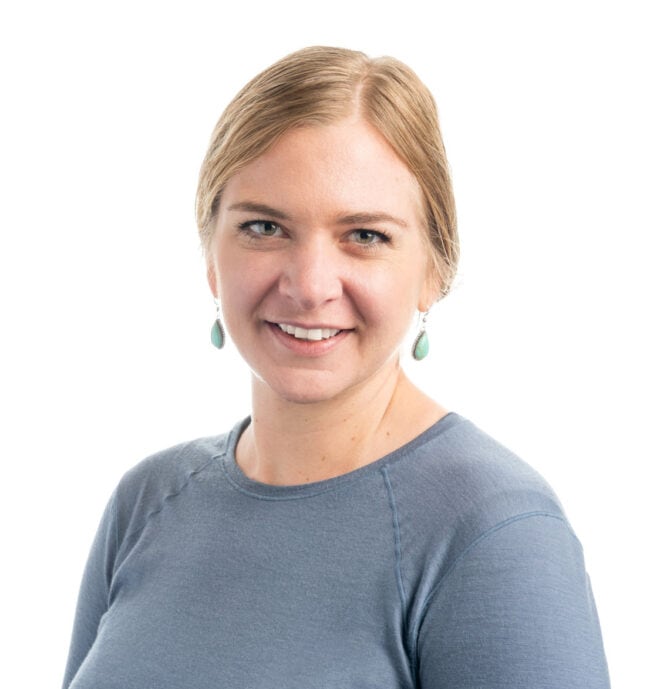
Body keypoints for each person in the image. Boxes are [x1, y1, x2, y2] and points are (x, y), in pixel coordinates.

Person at [62, 46, 610, 688]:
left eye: (365, 235)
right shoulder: (147, 501)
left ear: (434, 270)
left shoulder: (496, 531)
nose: (310, 284)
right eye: (265, 227)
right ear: (211, 256)